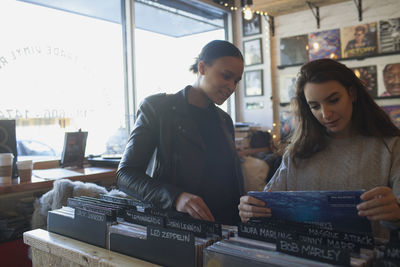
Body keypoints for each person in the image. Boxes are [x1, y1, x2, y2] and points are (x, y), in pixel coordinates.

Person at [238, 58, 400, 237]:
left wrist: (396, 213)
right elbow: (265, 206)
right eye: (315, 106)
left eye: (333, 100)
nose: (326, 114)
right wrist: (250, 209)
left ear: (352, 94)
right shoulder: (297, 154)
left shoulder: (391, 147)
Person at [117, 40, 245, 225]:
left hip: (226, 229)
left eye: (236, 81)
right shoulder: (158, 109)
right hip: (179, 229)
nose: (232, 87)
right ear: (202, 68)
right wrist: (176, 197)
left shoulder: (225, 120)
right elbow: (125, 175)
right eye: (226, 76)